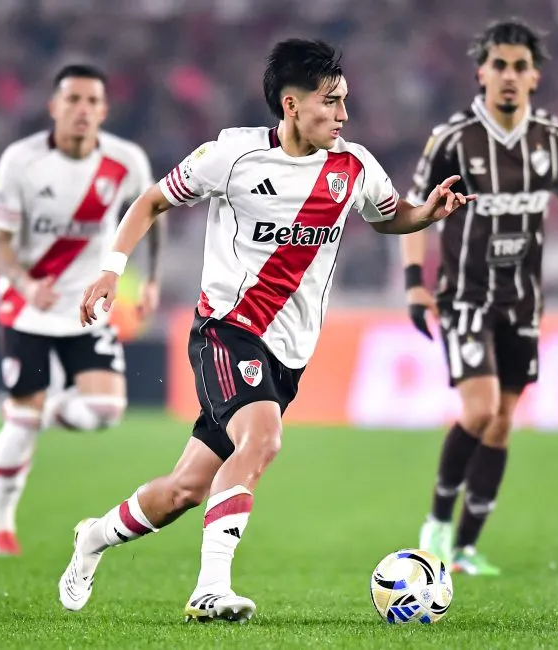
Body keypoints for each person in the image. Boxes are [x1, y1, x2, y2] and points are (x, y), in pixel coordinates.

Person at [58, 38, 474, 622]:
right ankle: (210, 588)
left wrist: (425, 214)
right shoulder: (230, 156)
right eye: (331, 102)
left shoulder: (353, 167)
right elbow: (150, 202)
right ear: (291, 104)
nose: (344, 115)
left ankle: (92, 538)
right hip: (227, 330)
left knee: (185, 489)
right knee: (263, 440)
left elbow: (389, 216)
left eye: (345, 101)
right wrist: (110, 270)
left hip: (289, 354)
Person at [402, 18, 558, 576]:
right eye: (499, 64)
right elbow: (414, 211)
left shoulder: (554, 138)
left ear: (535, 77)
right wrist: (413, 282)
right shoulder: (452, 139)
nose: (509, 76)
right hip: (466, 298)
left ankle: (468, 547)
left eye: (520, 66)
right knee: (478, 411)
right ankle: (436, 525)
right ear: (481, 71)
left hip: (524, 302)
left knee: (502, 422)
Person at [0, 64, 164, 556]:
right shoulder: (21, 161)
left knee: (105, 411)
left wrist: (151, 280)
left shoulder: (125, 160)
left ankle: (37, 414)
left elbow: (153, 212)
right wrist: (23, 281)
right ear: (54, 107)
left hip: (87, 304)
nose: (82, 109)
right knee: (20, 424)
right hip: (27, 308)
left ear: (103, 110)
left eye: (91, 102)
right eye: (73, 100)